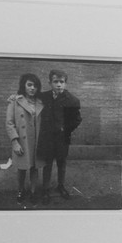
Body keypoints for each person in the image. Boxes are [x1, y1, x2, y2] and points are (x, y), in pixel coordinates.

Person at [37, 68, 81, 200]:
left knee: (62, 163)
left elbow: (77, 119)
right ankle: (46, 189)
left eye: (62, 82)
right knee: (47, 164)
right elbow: (28, 98)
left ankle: (61, 186)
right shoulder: (43, 97)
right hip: (47, 138)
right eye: (55, 81)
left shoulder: (72, 100)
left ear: (65, 83)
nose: (59, 85)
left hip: (62, 138)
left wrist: (65, 129)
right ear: (50, 83)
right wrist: (15, 97)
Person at [4, 73, 44, 207]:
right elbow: (9, 123)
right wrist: (15, 142)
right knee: (21, 168)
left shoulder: (40, 102)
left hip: (37, 142)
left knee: (35, 168)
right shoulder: (15, 101)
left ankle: (33, 191)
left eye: (35, 85)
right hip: (22, 141)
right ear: (24, 86)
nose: (32, 88)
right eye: (29, 85)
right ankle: (20, 190)